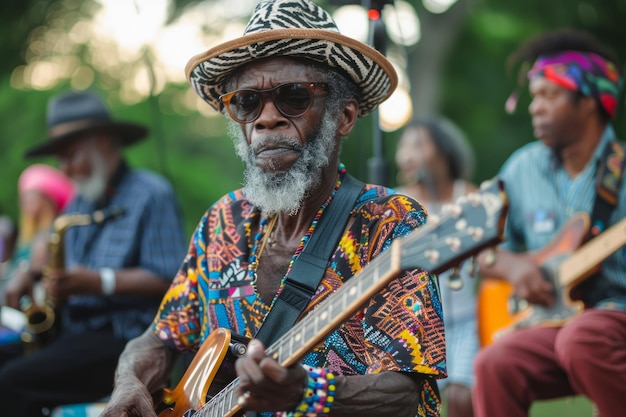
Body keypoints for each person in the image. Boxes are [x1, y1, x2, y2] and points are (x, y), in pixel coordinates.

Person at [101, 1, 447, 416]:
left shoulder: (390, 222)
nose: (266, 119)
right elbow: (159, 339)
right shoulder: (223, 222)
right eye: (247, 102)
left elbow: (404, 393)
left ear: (344, 116)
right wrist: (128, 382)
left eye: (293, 97)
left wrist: (307, 392)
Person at [0, 90, 188, 416]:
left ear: (105, 142)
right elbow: (55, 249)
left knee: (12, 382)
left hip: (127, 339)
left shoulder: (152, 193)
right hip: (74, 332)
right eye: (61, 158)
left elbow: (170, 277)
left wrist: (96, 282)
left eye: (71, 154)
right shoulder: (81, 200)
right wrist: (29, 273)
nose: (66, 168)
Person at [472, 29, 626, 417]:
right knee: (492, 364)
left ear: (589, 102)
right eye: (534, 95)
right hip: (557, 323)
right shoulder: (523, 168)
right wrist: (515, 266)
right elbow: (475, 249)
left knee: (584, 337)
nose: (534, 107)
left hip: (615, 319)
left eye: (549, 96)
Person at [395, 117, 478, 417]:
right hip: (415, 326)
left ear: (444, 150)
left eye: (417, 144)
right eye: (403, 146)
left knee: (461, 398)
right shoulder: (397, 203)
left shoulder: (467, 196)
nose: (406, 155)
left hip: (466, 322)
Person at [0, 164, 74, 301]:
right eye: (23, 198)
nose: (25, 204)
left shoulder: (52, 232)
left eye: (31, 197)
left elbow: (38, 271)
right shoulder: (26, 235)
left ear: (47, 199)